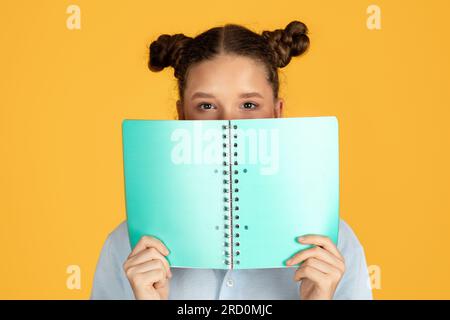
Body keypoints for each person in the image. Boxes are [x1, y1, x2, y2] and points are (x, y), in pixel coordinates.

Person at [91, 20, 373, 300]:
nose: (227, 125)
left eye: (249, 105)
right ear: (182, 116)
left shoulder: (331, 248)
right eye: (206, 106)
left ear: (277, 113)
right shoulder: (130, 247)